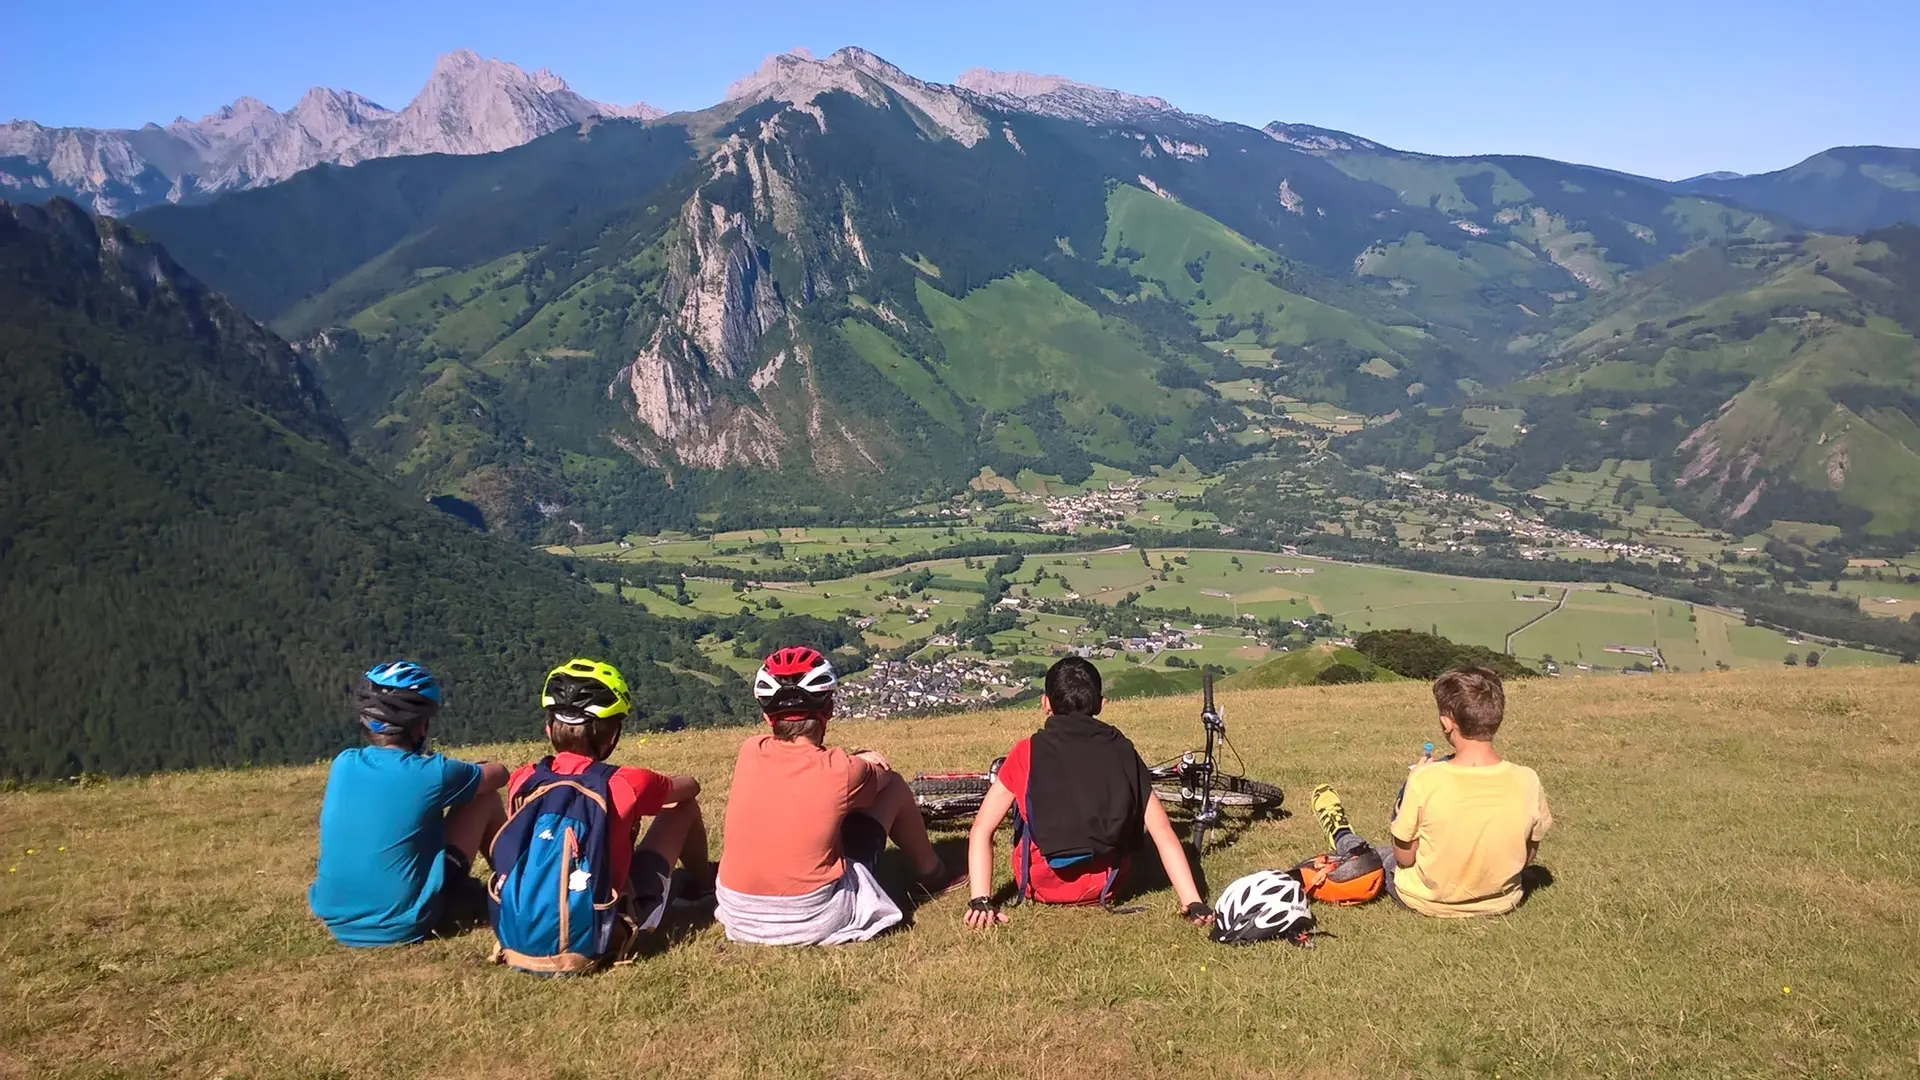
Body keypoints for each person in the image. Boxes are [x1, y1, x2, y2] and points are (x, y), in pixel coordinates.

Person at [715, 646, 963, 945]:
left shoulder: (749, 752)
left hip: (739, 914)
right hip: (811, 918)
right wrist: (864, 759)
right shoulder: (843, 771)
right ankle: (934, 873)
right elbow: (882, 775)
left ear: (769, 718)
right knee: (894, 786)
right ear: (828, 710)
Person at [962, 657, 1213, 929]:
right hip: (1108, 884)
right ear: (1101, 704)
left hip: (1040, 886)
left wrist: (981, 900)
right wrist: (1192, 900)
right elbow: (1162, 831)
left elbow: (981, 830)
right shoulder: (1123, 751)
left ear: (1045, 703)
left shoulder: (1026, 752)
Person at [496, 658, 712, 964]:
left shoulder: (524, 778)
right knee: (683, 808)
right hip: (599, 933)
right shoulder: (625, 782)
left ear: (548, 729)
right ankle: (702, 887)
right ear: (612, 734)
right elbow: (691, 787)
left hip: (516, 932)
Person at [1318, 665, 1552, 917]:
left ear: (1446, 724)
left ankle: (1342, 834)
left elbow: (1405, 857)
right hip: (1500, 901)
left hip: (1426, 899)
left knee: (1373, 856)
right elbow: (1527, 855)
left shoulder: (1426, 780)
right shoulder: (1528, 779)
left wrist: (1408, 787)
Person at [308, 660, 508, 946]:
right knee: (484, 797)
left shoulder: (344, 763)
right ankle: (516, 889)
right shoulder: (433, 773)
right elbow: (499, 774)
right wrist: (467, 772)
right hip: (403, 922)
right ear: (421, 725)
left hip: (338, 921)